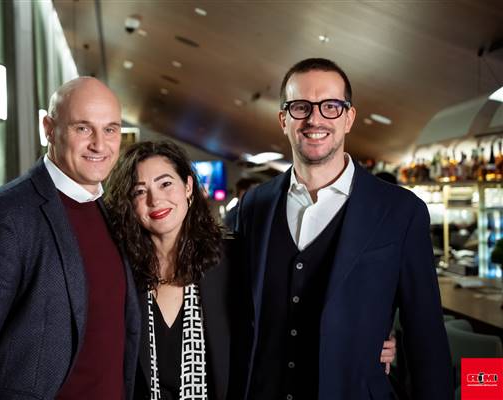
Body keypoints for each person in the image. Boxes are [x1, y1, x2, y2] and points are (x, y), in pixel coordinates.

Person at [236, 58, 452, 399]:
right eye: (300, 107)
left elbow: (426, 334)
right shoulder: (253, 206)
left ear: (349, 118)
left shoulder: (401, 211)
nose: (315, 119)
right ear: (283, 119)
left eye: (331, 106)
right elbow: (235, 311)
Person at [0, 77, 140, 400]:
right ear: (49, 129)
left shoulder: (109, 213)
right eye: (83, 128)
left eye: (110, 129)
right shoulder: (5, 215)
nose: (99, 144)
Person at [105, 141, 233, 400]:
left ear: (188, 186)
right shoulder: (118, 271)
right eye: (140, 191)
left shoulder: (232, 261)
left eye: (165, 184)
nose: (155, 200)